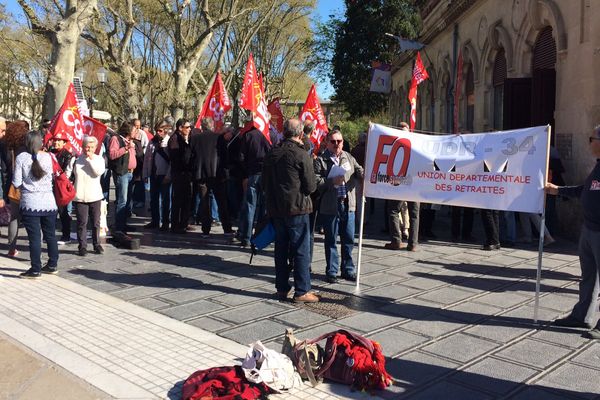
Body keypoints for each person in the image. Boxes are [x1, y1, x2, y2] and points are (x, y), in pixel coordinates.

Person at [546, 125, 600, 339]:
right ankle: (582, 316)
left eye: (592, 138)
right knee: (588, 275)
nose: (589, 143)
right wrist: (557, 190)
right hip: (589, 229)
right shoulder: (597, 167)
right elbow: (584, 190)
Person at [262, 118, 319, 303]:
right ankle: (302, 290)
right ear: (300, 133)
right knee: (301, 249)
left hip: (277, 209)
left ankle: (281, 288)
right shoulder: (301, 154)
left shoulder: (272, 153)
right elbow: (310, 186)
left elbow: (265, 183)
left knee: (280, 249)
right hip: (297, 208)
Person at [314, 129, 364, 283]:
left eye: (339, 141)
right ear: (327, 143)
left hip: (348, 205)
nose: (337, 144)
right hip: (330, 205)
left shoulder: (348, 157)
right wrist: (330, 182)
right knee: (331, 240)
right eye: (333, 141)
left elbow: (358, 170)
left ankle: (348, 269)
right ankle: (332, 271)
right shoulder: (321, 160)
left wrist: (363, 174)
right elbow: (315, 182)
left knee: (348, 239)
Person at [13, 131, 58, 278]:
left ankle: (35, 268)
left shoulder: (21, 158)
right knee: (50, 235)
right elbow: (51, 178)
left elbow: (17, 182)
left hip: (30, 203)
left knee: (34, 237)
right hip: (49, 203)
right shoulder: (49, 157)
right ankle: (52, 264)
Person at [232, 114, 272, 247]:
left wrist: (246, 171)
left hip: (253, 174)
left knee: (250, 206)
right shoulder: (270, 135)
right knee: (264, 207)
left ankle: (246, 237)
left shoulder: (248, 135)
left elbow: (241, 157)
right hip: (266, 175)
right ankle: (260, 236)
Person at [191, 117, 232, 236]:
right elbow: (225, 157)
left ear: (202, 127)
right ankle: (227, 228)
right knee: (222, 202)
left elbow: (192, 156)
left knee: (204, 203)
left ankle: (205, 229)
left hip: (201, 174)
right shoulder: (219, 138)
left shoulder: (195, 139)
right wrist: (225, 172)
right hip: (217, 174)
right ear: (212, 125)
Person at [384, 123, 420, 251]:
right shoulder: (417, 144)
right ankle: (413, 244)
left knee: (393, 210)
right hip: (413, 183)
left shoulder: (395, 144)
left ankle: (396, 240)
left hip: (401, 182)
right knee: (414, 214)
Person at [68, 136, 106, 256]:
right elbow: (68, 173)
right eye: (86, 146)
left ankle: (96, 244)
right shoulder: (76, 159)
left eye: (91, 147)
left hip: (94, 195)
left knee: (95, 222)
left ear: (95, 148)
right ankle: (82, 246)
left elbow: (98, 172)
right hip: (80, 196)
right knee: (81, 222)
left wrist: (90, 160)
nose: (88, 149)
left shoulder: (99, 159)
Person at [4, 120, 29, 257]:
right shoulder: (26, 145)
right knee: (33, 218)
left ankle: (11, 248)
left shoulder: (6, 145)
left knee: (14, 218)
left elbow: (4, 171)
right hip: (28, 186)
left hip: (13, 187)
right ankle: (35, 248)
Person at [109, 121, 137, 232]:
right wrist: (125, 148)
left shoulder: (130, 141)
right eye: (134, 130)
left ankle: (124, 223)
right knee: (122, 200)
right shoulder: (116, 139)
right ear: (128, 131)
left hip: (131, 173)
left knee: (128, 200)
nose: (136, 132)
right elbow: (112, 154)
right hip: (122, 173)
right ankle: (119, 226)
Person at [143, 121, 171, 230]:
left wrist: (168, 176)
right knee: (153, 199)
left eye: (160, 130)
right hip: (153, 174)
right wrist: (145, 174)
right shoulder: (152, 142)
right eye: (157, 130)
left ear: (165, 130)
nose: (158, 133)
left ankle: (165, 222)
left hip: (164, 174)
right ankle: (155, 221)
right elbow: (147, 159)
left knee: (165, 200)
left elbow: (172, 162)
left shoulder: (169, 141)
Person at [168, 118, 194, 234]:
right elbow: (176, 157)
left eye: (190, 127)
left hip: (184, 173)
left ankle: (183, 223)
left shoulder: (182, 138)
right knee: (178, 200)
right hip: (179, 173)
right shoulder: (174, 139)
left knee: (186, 199)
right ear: (180, 128)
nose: (189, 129)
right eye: (187, 127)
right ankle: (176, 225)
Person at [51, 132, 75, 244]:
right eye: (54, 140)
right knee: (50, 212)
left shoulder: (68, 155)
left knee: (63, 212)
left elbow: (67, 173)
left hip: (61, 187)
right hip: (50, 186)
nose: (56, 142)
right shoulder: (50, 153)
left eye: (59, 140)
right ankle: (49, 234)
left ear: (64, 142)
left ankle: (66, 235)